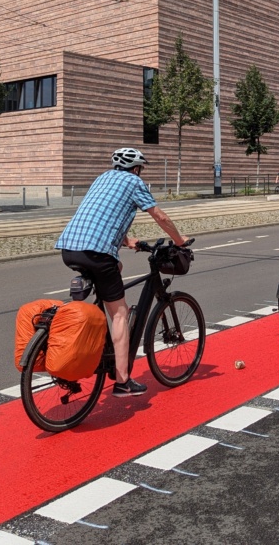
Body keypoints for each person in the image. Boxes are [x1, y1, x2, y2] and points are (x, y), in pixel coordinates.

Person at [55, 147, 190, 396]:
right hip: (97, 253)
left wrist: (127, 241)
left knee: (116, 266)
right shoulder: (134, 182)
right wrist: (180, 240)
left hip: (69, 249)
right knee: (119, 313)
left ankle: (100, 342)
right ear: (136, 169)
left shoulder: (102, 178)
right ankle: (123, 381)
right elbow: (159, 216)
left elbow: (103, 215)